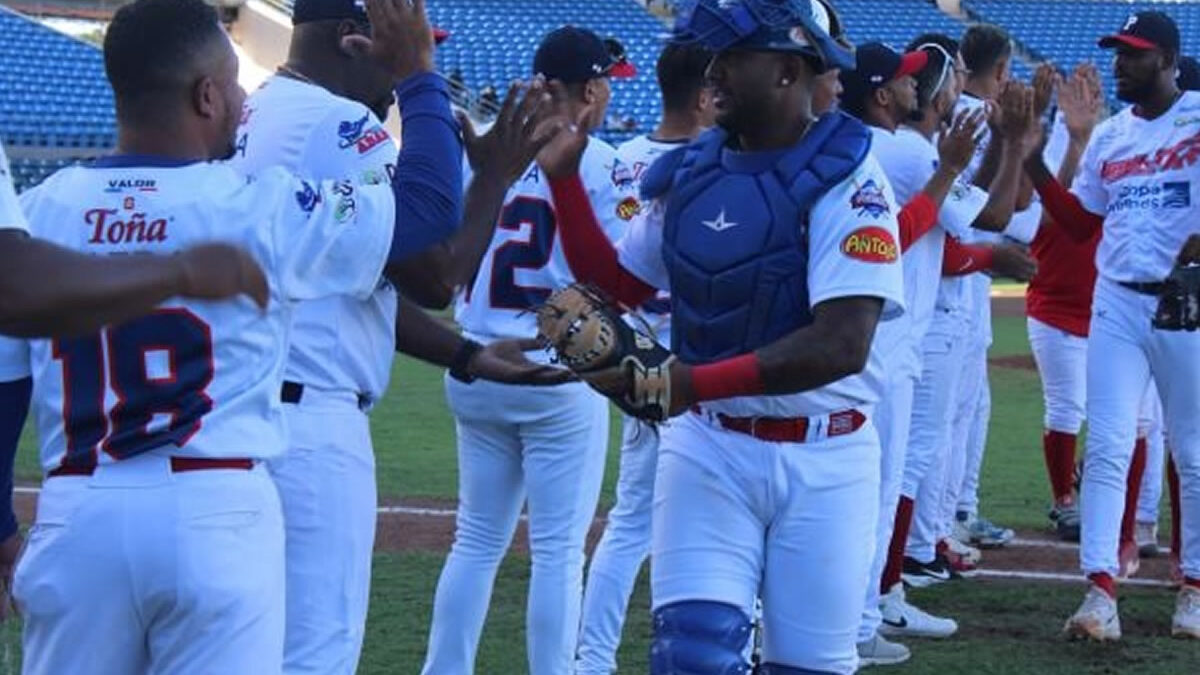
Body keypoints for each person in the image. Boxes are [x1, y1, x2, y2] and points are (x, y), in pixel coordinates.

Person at [0, 0, 464, 672]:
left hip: (78, 505)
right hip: (213, 507)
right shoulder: (256, 204)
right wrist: (419, 76)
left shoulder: (38, 215)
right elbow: (427, 211)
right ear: (206, 94)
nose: (247, 99)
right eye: (236, 82)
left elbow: (6, 381)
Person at [543, 0, 907, 670]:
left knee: (808, 665)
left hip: (827, 456)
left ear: (789, 71)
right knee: (693, 657)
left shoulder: (851, 175)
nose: (715, 72)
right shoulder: (691, 169)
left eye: (735, 57)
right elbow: (619, 283)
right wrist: (565, 183)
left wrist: (689, 382)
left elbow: (842, 343)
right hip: (709, 446)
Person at [227, 1, 570, 671]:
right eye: (405, 46)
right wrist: (490, 167)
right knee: (312, 652)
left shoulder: (258, 108)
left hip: (247, 412)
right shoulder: (336, 121)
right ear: (354, 41)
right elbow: (438, 269)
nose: (406, 68)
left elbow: (361, 281)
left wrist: (465, 353)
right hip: (312, 430)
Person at [420, 24, 637, 675]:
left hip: (477, 356)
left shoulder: (487, 152)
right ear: (590, 89)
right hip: (554, 371)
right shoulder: (601, 162)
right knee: (558, 551)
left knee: (475, 540)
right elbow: (617, 278)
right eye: (602, 86)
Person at [840, 38, 1036, 664]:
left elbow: (951, 226)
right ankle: (867, 611)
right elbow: (993, 214)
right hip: (892, 339)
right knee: (880, 481)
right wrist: (1008, 145)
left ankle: (875, 599)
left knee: (871, 478)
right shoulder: (900, 147)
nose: (915, 87)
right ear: (881, 93)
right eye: (904, 80)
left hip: (880, 333)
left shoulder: (880, 144)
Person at [1023, 10, 1200, 641]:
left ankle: (1194, 589)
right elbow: (1077, 226)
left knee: (1194, 449)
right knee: (1107, 445)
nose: (1120, 64)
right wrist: (1034, 163)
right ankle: (1099, 589)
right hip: (1119, 301)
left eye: (1134, 54)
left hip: (1187, 302)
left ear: (1168, 60)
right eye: (1118, 53)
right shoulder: (1110, 135)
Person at [575, 40, 714, 675]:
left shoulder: (619, 159)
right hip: (697, 358)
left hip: (637, 355)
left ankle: (592, 660)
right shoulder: (722, 163)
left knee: (633, 522)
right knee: (710, 528)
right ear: (707, 93)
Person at [0, 142, 268, 338]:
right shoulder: (261, 202)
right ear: (206, 95)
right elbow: (10, 284)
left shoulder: (35, 205)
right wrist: (182, 271)